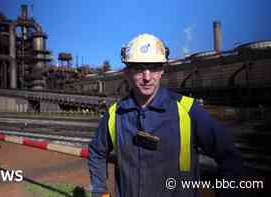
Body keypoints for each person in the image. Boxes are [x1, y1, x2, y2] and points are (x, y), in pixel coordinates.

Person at [88, 34, 243, 197]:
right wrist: (100, 192)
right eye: (139, 68)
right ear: (127, 72)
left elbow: (230, 156)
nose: (147, 77)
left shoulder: (189, 111)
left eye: (154, 67)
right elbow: (97, 152)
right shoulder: (115, 114)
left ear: (162, 70)